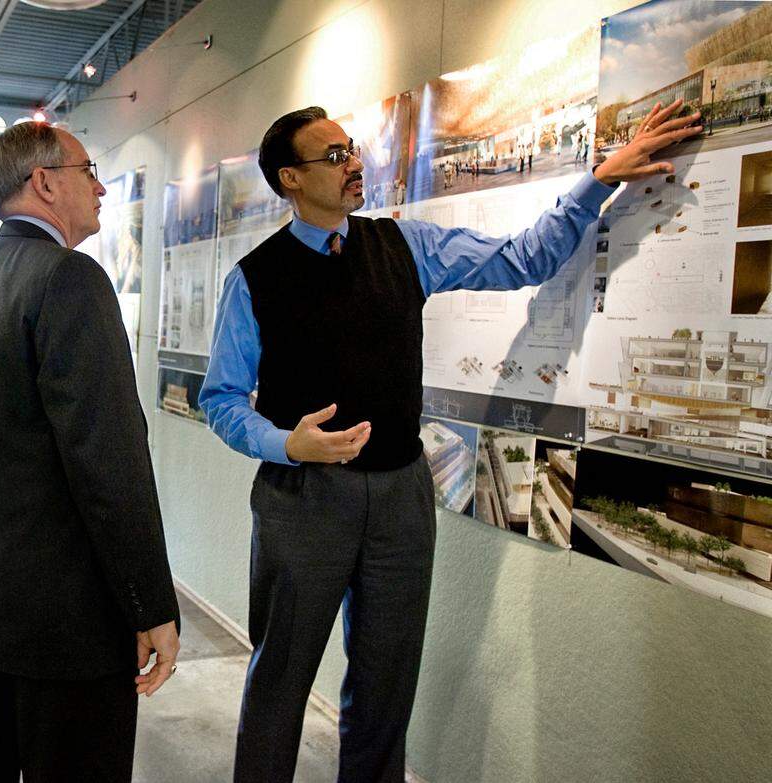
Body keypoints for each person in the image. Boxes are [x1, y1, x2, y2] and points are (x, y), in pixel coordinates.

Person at [199, 100, 701, 783]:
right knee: (281, 679)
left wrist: (599, 178)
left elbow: (525, 257)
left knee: (385, 686)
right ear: (290, 179)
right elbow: (221, 400)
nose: (355, 166)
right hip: (303, 499)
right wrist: (289, 443)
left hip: (402, 495)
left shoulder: (404, 244)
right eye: (335, 157)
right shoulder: (254, 278)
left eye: (353, 150)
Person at [0, 121, 180, 782]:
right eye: (89, 169)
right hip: (72, 621)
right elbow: (110, 463)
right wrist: (149, 603)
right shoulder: (70, 279)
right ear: (43, 181)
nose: (99, 188)